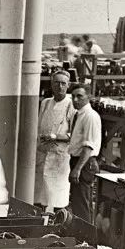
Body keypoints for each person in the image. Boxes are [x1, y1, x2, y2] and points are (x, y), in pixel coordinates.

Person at [35, 71, 75, 211]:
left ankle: (59, 219)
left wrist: (55, 136)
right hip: (42, 154)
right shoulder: (46, 103)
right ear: (51, 84)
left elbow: (74, 135)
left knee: (58, 199)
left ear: (68, 85)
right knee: (40, 197)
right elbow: (39, 127)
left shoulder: (71, 105)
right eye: (57, 83)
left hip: (59, 157)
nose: (60, 86)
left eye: (63, 83)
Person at [68, 83, 102, 222]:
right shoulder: (78, 114)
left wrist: (77, 169)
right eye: (73, 96)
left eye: (79, 96)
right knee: (78, 202)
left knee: (82, 204)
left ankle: (85, 234)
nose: (75, 100)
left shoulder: (90, 116)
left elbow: (88, 146)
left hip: (84, 163)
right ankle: (82, 232)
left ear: (89, 97)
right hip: (77, 161)